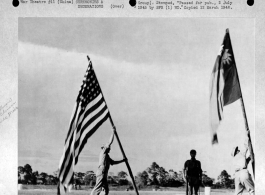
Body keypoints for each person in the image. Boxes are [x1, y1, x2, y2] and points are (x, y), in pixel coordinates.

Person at [90, 126, 127, 195]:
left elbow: (113, 162)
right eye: (107, 146)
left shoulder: (107, 156)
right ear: (104, 147)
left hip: (104, 173)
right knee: (98, 188)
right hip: (101, 171)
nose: (109, 148)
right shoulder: (103, 152)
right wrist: (113, 132)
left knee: (106, 189)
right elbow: (109, 142)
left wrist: (123, 160)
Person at [231, 130, 254, 195]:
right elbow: (246, 145)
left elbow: (244, 162)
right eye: (237, 149)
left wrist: (249, 158)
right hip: (243, 173)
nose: (238, 149)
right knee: (251, 190)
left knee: (238, 193)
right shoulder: (241, 154)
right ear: (236, 152)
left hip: (237, 175)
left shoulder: (234, 159)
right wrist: (247, 135)